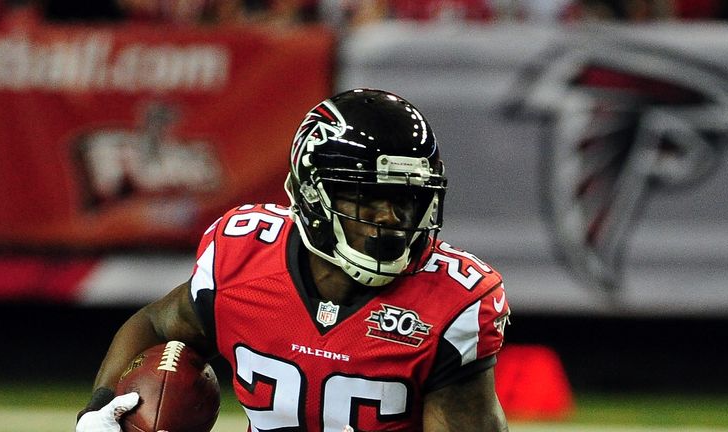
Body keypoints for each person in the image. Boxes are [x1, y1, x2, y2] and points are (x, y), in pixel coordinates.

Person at [75, 88, 511, 432]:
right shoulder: (241, 255)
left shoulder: (454, 301)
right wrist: (99, 408)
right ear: (313, 193)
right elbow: (156, 325)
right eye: (368, 197)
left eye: (407, 199)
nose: (392, 218)